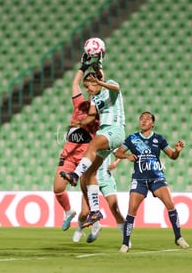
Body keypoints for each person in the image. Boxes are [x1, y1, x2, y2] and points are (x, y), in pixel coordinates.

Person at [60, 62, 126, 229]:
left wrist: (100, 81)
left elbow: (115, 89)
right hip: (104, 132)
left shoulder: (111, 86)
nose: (87, 91)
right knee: (90, 173)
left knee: (92, 145)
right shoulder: (96, 98)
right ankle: (95, 211)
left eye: (89, 87)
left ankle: (74, 175)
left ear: (96, 83)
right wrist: (79, 123)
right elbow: (91, 116)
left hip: (116, 130)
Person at [115, 111, 189, 253]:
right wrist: (126, 156)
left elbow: (172, 156)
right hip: (139, 179)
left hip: (157, 178)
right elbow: (118, 152)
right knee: (131, 211)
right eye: (141, 118)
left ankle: (178, 237)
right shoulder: (133, 138)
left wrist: (177, 151)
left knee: (171, 205)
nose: (143, 120)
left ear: (153, 123)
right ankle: (125, 243)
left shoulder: (159, 139)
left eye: (147, 119)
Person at [53, 64, 100, 231]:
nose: (87, 88)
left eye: (91, 85)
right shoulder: (79, 103)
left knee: (86, 193)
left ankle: (94, 221)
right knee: (58, 188)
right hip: (69, 152)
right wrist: (83, 66)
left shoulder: (100, 107)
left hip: (85, 155)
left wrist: (99, 70)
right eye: (86, 86)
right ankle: (68, 212)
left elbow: (104, 86)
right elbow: (74, 84)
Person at [72, 154, 131, 249]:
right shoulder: (88, 144)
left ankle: (126, 240)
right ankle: (79, 229)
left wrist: (116, 162)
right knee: (84, 212)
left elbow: (120, 151)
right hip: (90, 180)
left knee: (115, 209)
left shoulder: (106, 140)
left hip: (106, 180)